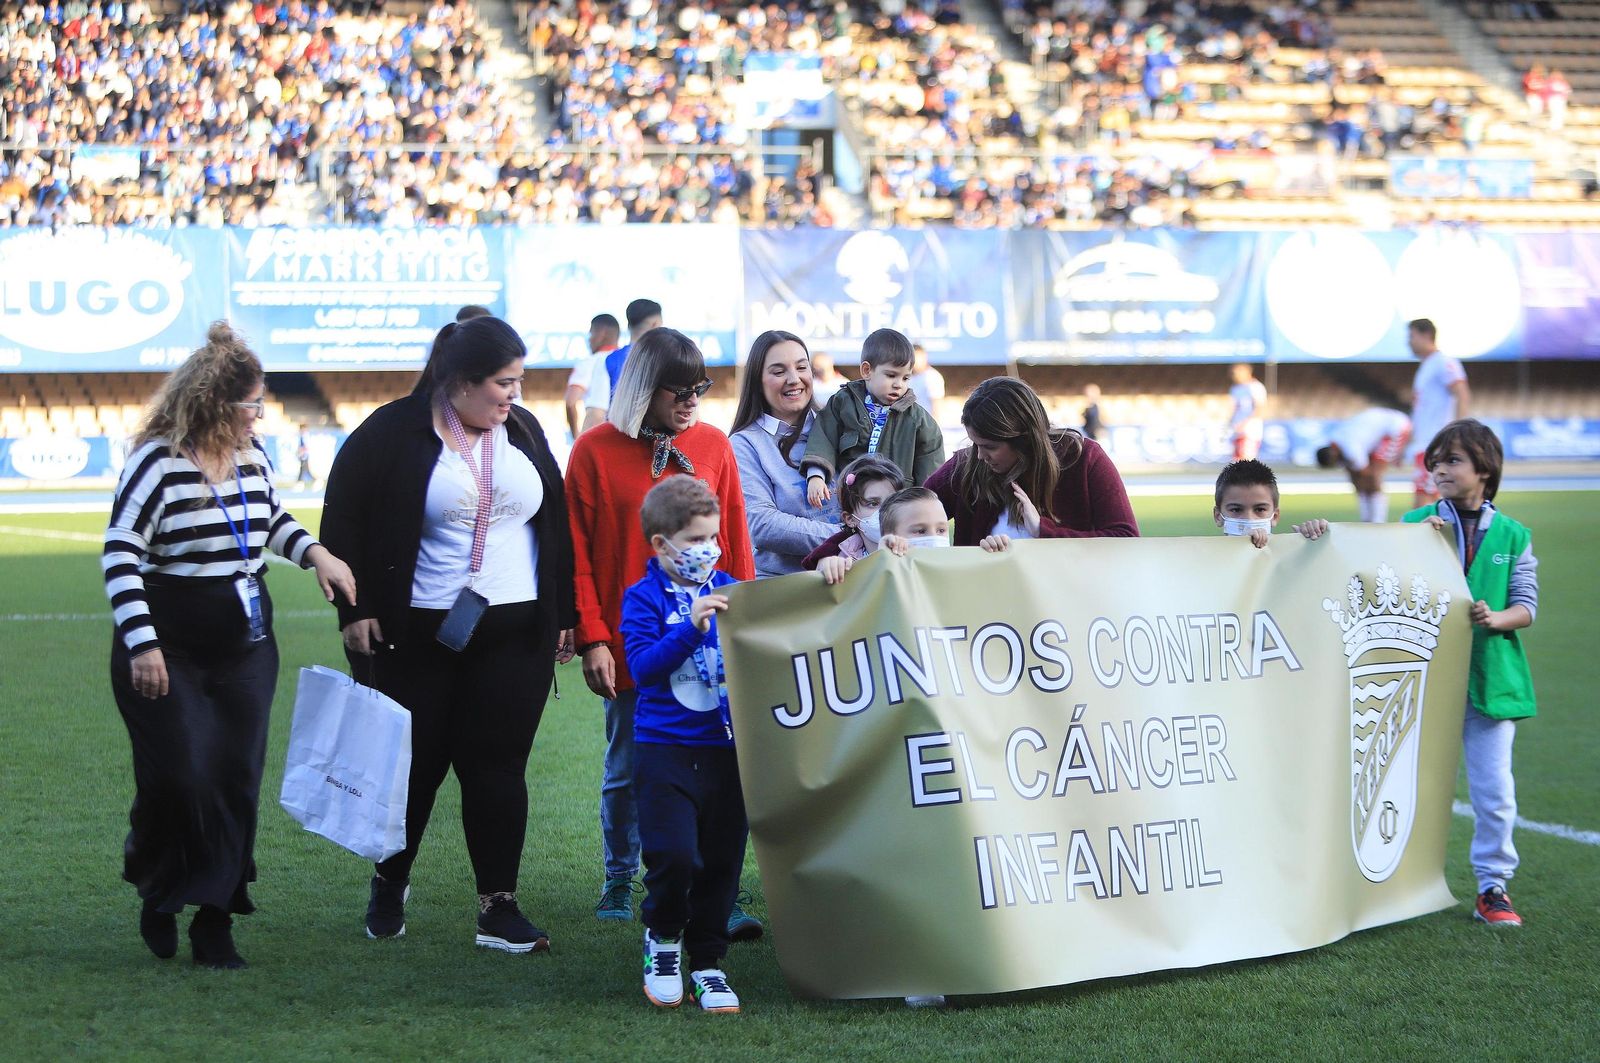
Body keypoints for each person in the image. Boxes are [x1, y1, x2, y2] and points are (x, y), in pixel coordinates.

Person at [320, 315, 576, 953]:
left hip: (515, 632)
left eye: (518, 382)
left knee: (499, 769)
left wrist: (565, 613)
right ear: (460, 381)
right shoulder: (391, 431)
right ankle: (390, 879)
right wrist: (355, 610)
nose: (514, 395)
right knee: (414, 768)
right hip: (417, 635)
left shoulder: (524, 429)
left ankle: (498, 907)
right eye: (503, 383)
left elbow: (556, 522)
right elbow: (342, 520)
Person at [104, 321, 356, 969]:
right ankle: (158, 884)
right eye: (251, 405)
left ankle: (214, 920)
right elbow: (121, 552)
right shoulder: (156, 463)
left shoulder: (253, 456)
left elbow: (269, 519)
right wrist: (142, 645)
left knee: (236, 777)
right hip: (166, 645)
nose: (258, 416)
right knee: (180, 776)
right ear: (215, 404)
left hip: (245, 644)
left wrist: (317, 554)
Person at [564, 328, 756, 927]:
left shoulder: (714, 445)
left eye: (701, 387)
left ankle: (715, 888)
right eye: (679, 389)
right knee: (627, 767)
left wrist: (747, 624)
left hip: (711, 638)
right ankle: (620, 876)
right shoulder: (593, 450)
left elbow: (735, 544)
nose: (692, 400)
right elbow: (576, 552)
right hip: (636, 641)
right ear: (644, 388)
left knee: (717, 766)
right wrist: (594, 637)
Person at [1403, 420, 1539, 927]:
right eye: (1435, 461)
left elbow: (1526, 605)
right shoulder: (1414, 523)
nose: (1440, 469)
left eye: (1453, 460)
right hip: (1424, 680)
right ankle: (1389, 885)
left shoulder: (1514, 535)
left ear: (1485, 469)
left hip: (1490, 681)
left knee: (1494, 792)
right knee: (1401, 787)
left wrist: (1497, 618)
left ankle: (1492, 887)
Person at [624, 476, 749, 1013]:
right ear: (662, 544)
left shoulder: (730, 589)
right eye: (696, 540)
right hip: (665, 750)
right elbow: (642, 669)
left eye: (713, 537)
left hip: (726, 751)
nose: (709, 549)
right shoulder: (643, 598)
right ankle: (664, 940)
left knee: (722, 861)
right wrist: (690, 630)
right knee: (673, 855)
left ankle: (709, 961)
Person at [925, 377, 1139, 545]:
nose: (979, 455)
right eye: (975, 444)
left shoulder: (1084, 458)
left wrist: (1042, 531)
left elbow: (1126, 538)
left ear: (1025, 439)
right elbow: (911, 511)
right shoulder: (965, 466)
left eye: (990, 447)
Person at [729, 330, 842, 578]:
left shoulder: (839, 424)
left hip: (855, 577)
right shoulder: (744, 443)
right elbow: (762, 524)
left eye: (802, 367)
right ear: (757, 381)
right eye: (779, 372)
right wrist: (847, 537)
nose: (794, 379)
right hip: (786, 587)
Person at [801, 328, 945, 506]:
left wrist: (926, 506)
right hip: (850, 504)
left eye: (906, 378)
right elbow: (823, 438)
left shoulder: (920, 420)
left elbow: (931, 471)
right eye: (891, 375)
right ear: (867, 370)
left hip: (897, 508)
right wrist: (816, 476)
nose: (898, 385)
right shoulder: (843, 403)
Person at [1407, 318, 1470, 508]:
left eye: (1412, 336)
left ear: (1426, 335)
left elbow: (1462, 394)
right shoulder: (1426, 366)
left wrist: (1457, 433)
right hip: (1425, 444)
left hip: (1434, 445)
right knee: (1432, 504)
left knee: (1422, 504)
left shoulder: (1443, 362)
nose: (1409, 342)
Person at [801, 454, 906, 569]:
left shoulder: (915, 550)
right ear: (850, 519)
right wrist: (827, 569)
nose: (886, 510)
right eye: (873, 503)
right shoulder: (841, 562)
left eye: (892, 500)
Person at [1315, 408, 1413, 523]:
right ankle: (1367, 518)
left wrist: (1363, 486)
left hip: (1395, 427)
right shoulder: (1338, 444)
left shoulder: (1351, 448)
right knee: (1359, 477)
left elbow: (1365, 474)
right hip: (1381, 428)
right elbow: (1354, 475)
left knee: (1374, 475)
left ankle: (1377, 520)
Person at [582, 298, 664, 430]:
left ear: (629, 325)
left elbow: (596, 415)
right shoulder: (667, 360)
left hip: (619, 439)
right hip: (661, 440)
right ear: (655, 324)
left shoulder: (608, 361)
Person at [1212, 458, 1329, 549]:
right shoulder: (1207, 557)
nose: (1249, 519)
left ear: (1275, 516)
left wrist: (1312, 544)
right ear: (1218, 516)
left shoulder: (1288, 555)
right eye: (1236, 510)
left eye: (1260, 509)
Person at [566, 313, 621, 439]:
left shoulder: (589, 362)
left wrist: (576, 437)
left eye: (591, 334)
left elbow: (570, 402)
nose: (589, 340)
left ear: (602, 333)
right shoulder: (629, 360)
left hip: (597, 435)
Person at [1228, 364, 1268, 461]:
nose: (1234, 376)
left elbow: (1260, 408)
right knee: (1237, 459)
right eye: (1233, 373)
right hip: (1237, 428)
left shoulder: (1255, 387)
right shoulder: (1235, 388)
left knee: (1246, 459)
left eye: (1237, 373)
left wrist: (1245, 423)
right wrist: (1231, 422)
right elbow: (1234, 407)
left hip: (1250, 429)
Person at [908, 343, 945, 419]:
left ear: (925, 357)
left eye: (918, 357)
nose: (916, 361)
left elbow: (937, 407)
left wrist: (933, 424)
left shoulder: (932, 377)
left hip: (925, 422)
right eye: (913, 358)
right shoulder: (906, 377)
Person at [294, 423, 314, 489]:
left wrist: (301, 452)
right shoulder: (302, 436)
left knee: (303, 469)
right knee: (305, 470)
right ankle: (300, 483)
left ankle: (299, 483)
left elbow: (306, 446)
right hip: (303, 455)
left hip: (304, 455)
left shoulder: (305, 436)